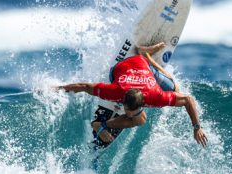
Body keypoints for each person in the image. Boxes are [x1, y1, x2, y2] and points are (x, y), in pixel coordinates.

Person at [57, 43, 207, 147]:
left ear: (144, 104)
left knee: (176, 89)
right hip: (119, 67)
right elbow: (84, 86)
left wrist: (197, 127)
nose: (128, 114)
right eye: (127, 109)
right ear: (122, 100)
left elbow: (188, 99)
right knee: (140, 120)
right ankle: (145, 53)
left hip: (142, 62)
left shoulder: (156, 96)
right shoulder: (116, 90)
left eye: (130, 111)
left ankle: (146, 55)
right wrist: (58, 88)